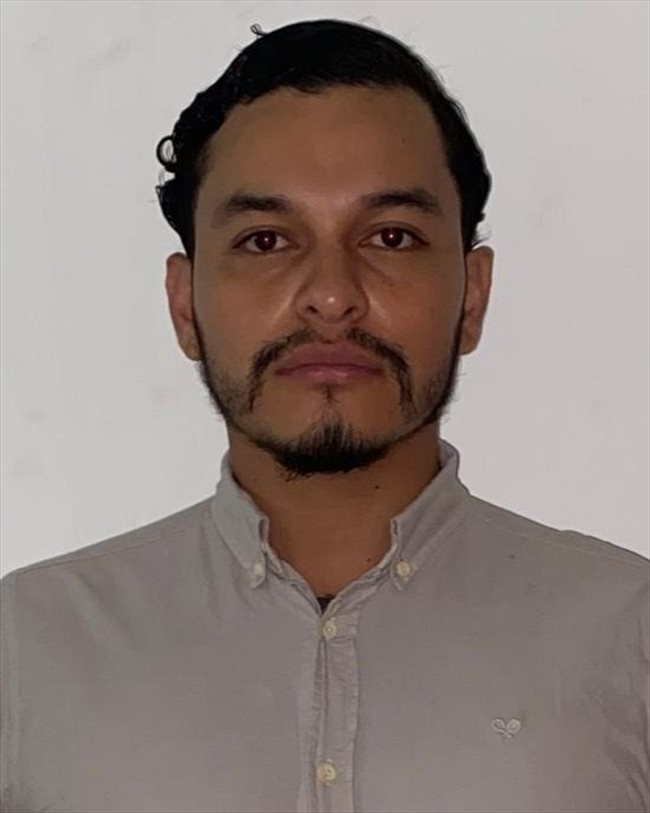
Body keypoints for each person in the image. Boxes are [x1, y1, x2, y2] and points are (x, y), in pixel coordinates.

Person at [1, 18, 648, 813]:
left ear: (472, 296)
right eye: (266, 240)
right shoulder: (27, 649)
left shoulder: (629, 636)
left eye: (391, 236)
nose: (333, 295)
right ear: (185, 304)